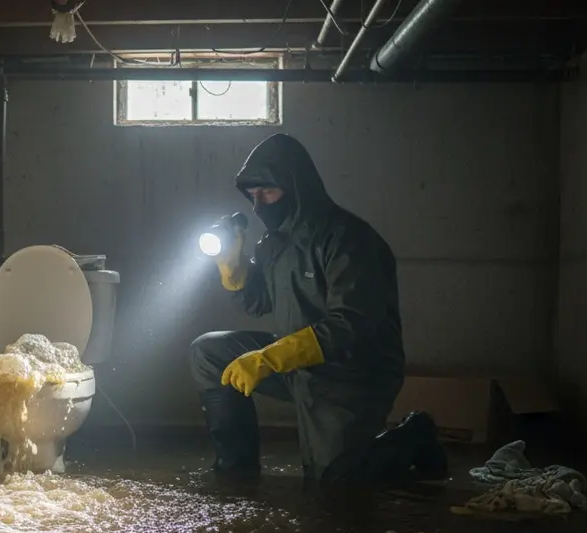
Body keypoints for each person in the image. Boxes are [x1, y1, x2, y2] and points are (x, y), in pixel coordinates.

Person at [189, 133, 445, 485]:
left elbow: (351, 324)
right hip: (299, 364)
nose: (259, 205)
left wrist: (268, 358)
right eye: (253, 196)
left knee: (335, 482)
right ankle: (237, 470)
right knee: (208, 351)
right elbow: (259, 302)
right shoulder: (273, 243)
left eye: (268, 192)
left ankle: (413, 436)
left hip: (353, 373)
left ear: (295, 186)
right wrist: (233, 268)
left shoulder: (347, 238)